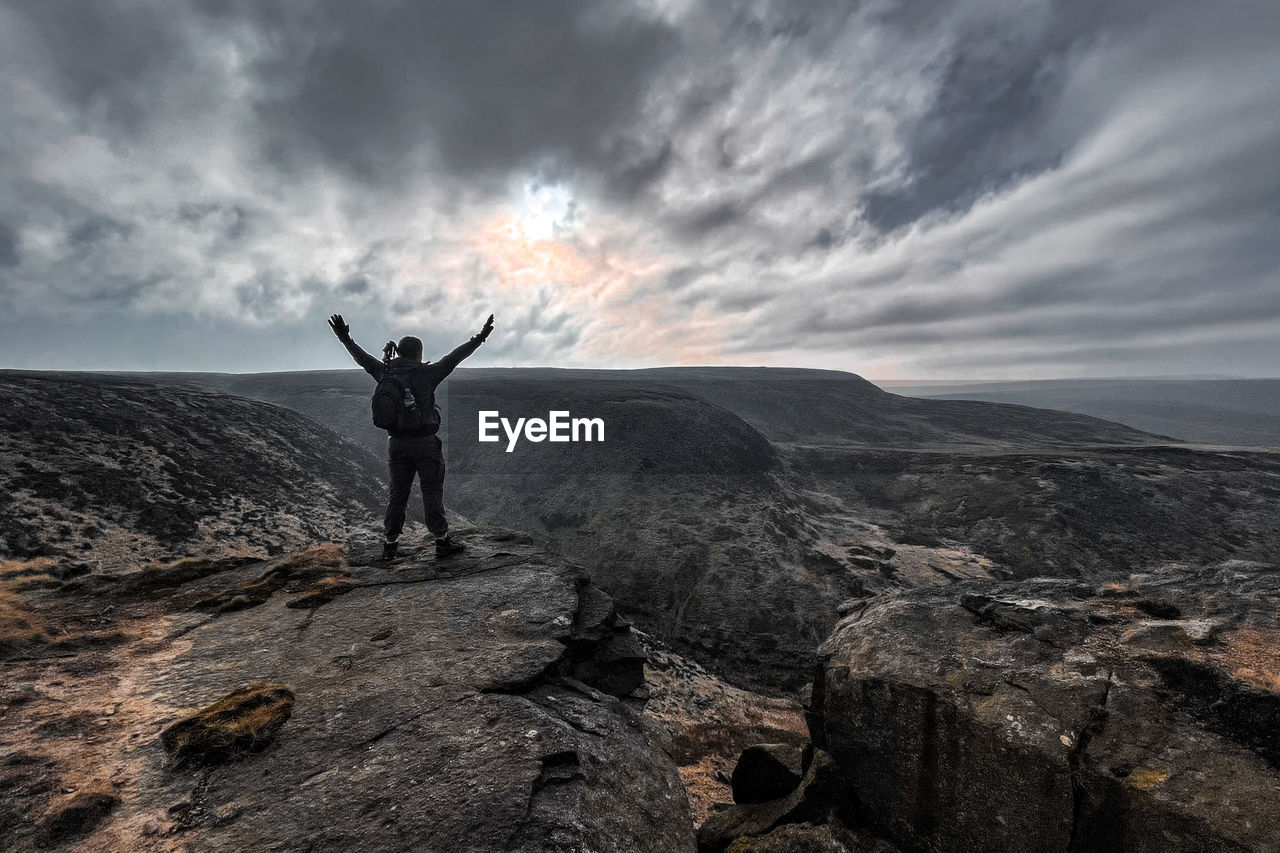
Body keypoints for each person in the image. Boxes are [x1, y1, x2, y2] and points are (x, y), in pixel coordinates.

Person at [328, 312, 494, 561]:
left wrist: (344, 337)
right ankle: (441, 541)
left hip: (396, 444)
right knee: (431, 491)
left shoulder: (384, 372)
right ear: (418, 354)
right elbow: (455, 357)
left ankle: (390, 544)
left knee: (398, 493)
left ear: (399, 353)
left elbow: (361, 358)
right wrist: (480, 337)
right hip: (425, 444)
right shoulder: (427, 374)